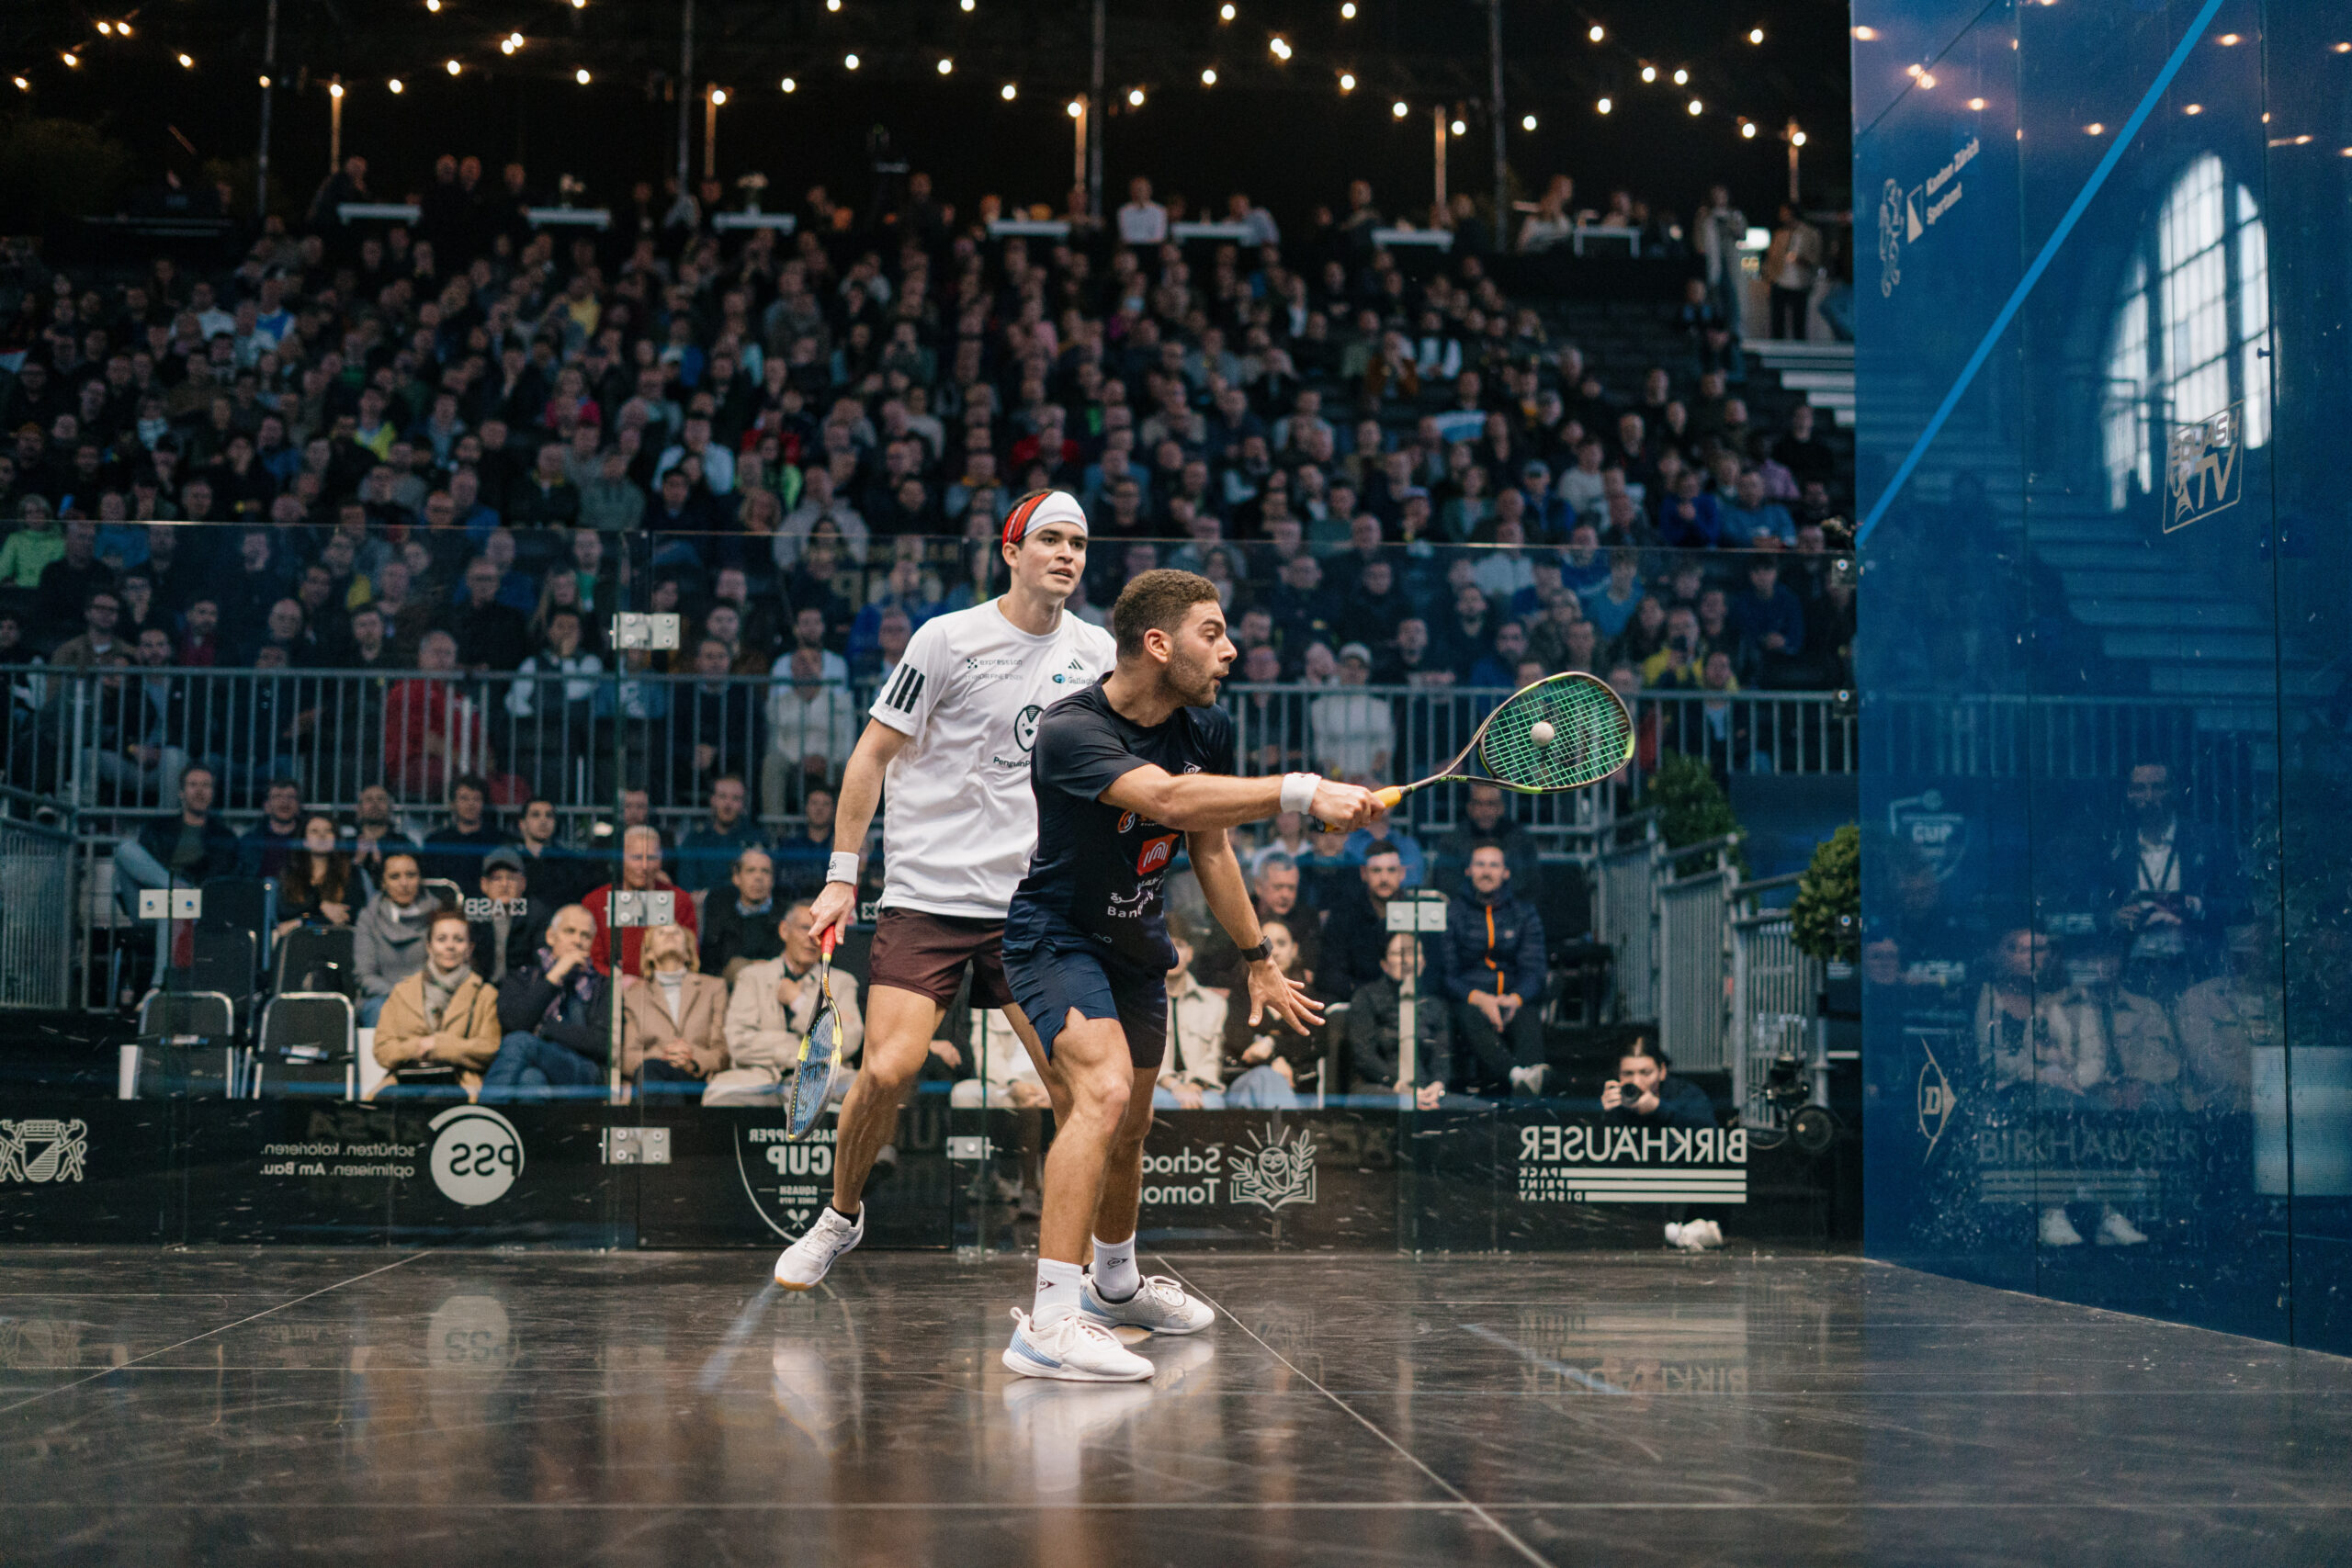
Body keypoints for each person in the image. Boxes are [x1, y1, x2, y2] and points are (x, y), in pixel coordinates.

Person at [994, 568, 1378, 1381]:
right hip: (1055, 937)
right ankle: (1049, 1322)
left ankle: (1114, 1285)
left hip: (1137, 947)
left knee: (1132, 1124)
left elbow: (1210, 846)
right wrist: (1302, 791)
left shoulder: (1206, 726)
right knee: (1100, 1094)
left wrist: (1258, 958)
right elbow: (1168, 801)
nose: (1231, 650)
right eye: (1213, 632)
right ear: (1159, 644)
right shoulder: (1069, 730)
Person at [773, 491, 1117, 1296]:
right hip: (926, 895)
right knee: (888, 1070)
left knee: (1076, 1088)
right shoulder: (945, 639)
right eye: (1050, 540)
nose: (1067, 555)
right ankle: (839, 1217)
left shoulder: (1097, 650)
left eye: (1078, 543)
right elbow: (869, 756)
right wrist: (841, 874)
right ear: (1012, 551)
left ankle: (1092, 1268)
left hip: (1030, 903)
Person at [709, 898, 867, 1107]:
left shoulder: (842, 983)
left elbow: (848, 1043)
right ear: (784, 931)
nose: (813, 938)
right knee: (719, 1095)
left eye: (821, 931)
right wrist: (809, 1047)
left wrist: (798, 1001)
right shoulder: (752, 977)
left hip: (822, 1078)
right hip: (760, 1078)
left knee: (863, 1093)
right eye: (805, 928)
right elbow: (738, 1042)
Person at [1434, 842, 1548, 1097]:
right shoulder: (1453, 913)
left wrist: (1515, 999)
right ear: (1468, 870)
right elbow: (1447, 974)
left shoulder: (1524, 913)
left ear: (1506, 872)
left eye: (1494, 865)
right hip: (1469, 999)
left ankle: (1530, 1090)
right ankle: (1517, 1076)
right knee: (1468, 1014)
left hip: (1511, 998)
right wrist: (1480, 999)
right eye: (1480, 865)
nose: (1487, 872)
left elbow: (1534, 970)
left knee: (1528, 1014)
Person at [1601, 1036, 1724, 1250]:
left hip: (1682, 1189)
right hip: (1631, 1191)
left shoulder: (1685, 1093)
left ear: (1662, 1071)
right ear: (1618, 1076)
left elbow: (1710, 1136)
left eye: (1645, 1073)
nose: (1637, 1081)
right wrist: (1606, 1114)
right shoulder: (1615, 1098)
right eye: (1628, 1074)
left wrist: (1659, 1110)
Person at [483, 902, 614, 1100]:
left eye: (585, 935)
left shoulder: (602, 985)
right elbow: (515, 1022)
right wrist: (554, 976)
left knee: (520, 1041)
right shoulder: (522, 978)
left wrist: (546, 1030)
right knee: (531, 1081)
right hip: (536, 1065)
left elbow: (602, 1043)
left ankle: (484, 1115)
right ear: (550, 937)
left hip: (583, 1072)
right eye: (570, 931)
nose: (577, 941)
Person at [369, 908, 503, 1100]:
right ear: (429, 947)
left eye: (458, 940)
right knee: (389, 1101)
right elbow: (383, 1050)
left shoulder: (485, 994)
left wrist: (439, 1045)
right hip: (404, 1081)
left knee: (440, 1098)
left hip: (458, 1083)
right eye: (442, 939)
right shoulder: (402, 992)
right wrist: (417, 1046)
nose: (450, 946)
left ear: (469, 949)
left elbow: (489, 1048)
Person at [618, 923, 729, 1098]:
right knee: (653, 1072)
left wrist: (691, 1059)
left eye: (677, 933)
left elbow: (721, 1051)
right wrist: (665, 1056)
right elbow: (627, 1056)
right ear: (649, 953)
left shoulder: (713, 988)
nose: (670, 935)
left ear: (688, 952)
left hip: (697, 1078)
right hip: (652, 1076)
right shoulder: (634, 995)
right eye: (662, 933)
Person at [1348, 932, 1449, 1108]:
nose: (1406, 960)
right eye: (1398, 954)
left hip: (1425, 1091)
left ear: (1423, 962)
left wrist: (1437, 1086)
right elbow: (1364, 1056)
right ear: (1384, 964)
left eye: (1413, 952)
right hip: (1381, 1088)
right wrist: (1402, 1088)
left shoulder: (1435, 1003)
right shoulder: (1366, 997)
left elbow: (1442, 1055)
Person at [582, 824, 698, 976]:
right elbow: (591, 961)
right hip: (610, 986)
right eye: (636, 857)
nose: (644, 866)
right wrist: (619, 980)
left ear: (660, 861)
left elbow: (690, 957)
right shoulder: (596, 902)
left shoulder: (679, 900)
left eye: (651, 858)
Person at [354, 851, 438, 1027]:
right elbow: (365, 975)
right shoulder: (369, 917)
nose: (404, 883)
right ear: (383, 883)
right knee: (381, 1010)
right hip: (382, 997)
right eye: (394, 877)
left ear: (420, 879)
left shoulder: (438, 913)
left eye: (411, 875)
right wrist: (401, 994)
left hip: (431, 995)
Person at [1319, 843, 1408, 1005]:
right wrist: (1370, 997)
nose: (1384, 878)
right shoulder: (1344, 913)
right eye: (1376, 870)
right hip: (1357, 1002)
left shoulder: (1414, 913)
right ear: (1363, 873)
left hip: (1408, 1000)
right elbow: (1330, 974)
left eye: (1391, 870)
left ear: (1402, 873)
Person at [1157, 929, 1228, 1111]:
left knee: (1213, 1104)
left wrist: (1196, 1085)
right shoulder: (1140, 1002)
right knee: (1158, 1102)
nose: (1172, 952)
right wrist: (1174, 1086)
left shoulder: (1214, 1003)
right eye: (1165, 943)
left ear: (1190, 953)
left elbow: (1215, 1054)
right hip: (1156, 1087)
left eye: (1179, 945)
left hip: (1201, 1088)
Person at [275, 812, 368, 941]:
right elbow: (285, 911)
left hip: (338, 940)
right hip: (299, 942)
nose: (322, 836)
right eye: (314, 831)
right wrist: (321, 908)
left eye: (328, 831)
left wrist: (302, 921)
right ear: (304, 841)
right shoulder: (290, 873)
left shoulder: (352, 872)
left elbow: (349, 915)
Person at [699, 846, 786, 983]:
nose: (758, 877)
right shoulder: (719, 914)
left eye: (765, 871)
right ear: (736, 877)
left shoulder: (785, 916)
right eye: (751, 870)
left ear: (772, 880)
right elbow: (710, 965)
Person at [673, 773, 764, 901]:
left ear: (743, 804)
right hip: (703, 907)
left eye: (735, 799)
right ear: (712, 800)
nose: (728, 804)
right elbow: (686, 885)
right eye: (722, 797)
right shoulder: (695, 839)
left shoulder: (756, 838)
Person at [467, 847, 552, 981]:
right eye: (496, 878)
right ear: (484, 884)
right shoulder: (473, 915)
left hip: (523, 988)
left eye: (511, 878)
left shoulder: (537, 916)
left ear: (523, 883)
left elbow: (541, 963)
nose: (504, 884)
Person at [418, 773, 508, 895]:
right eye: (464, 798)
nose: (470, 804)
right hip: (446, 905)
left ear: (483, 803)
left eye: (476, 799)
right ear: (452, 804)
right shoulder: (436, 841)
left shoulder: (499, 841)